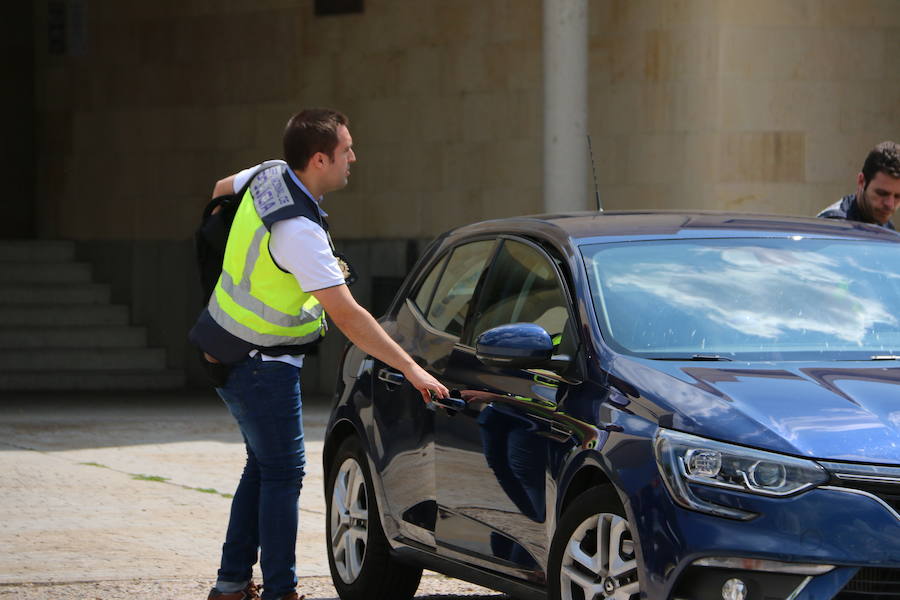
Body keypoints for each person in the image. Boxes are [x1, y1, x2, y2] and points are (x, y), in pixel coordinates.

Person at [189, 108, 448, 600]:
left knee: (262, 465)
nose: (354, 157)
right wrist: (412, 368)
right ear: (318, 160)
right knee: (284, 472)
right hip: (259, 363)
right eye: (346, 150)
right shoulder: (298, 233)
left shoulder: (269, 174)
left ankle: (229, 585)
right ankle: (280, 591)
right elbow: (350, 318)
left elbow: (223, 189)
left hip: (224, 344)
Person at [817, 141, 900, 230]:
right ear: (861, 181)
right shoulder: (834, 225)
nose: (890, 204)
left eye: (897, 196)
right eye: (882, 193)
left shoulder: (885, 223)